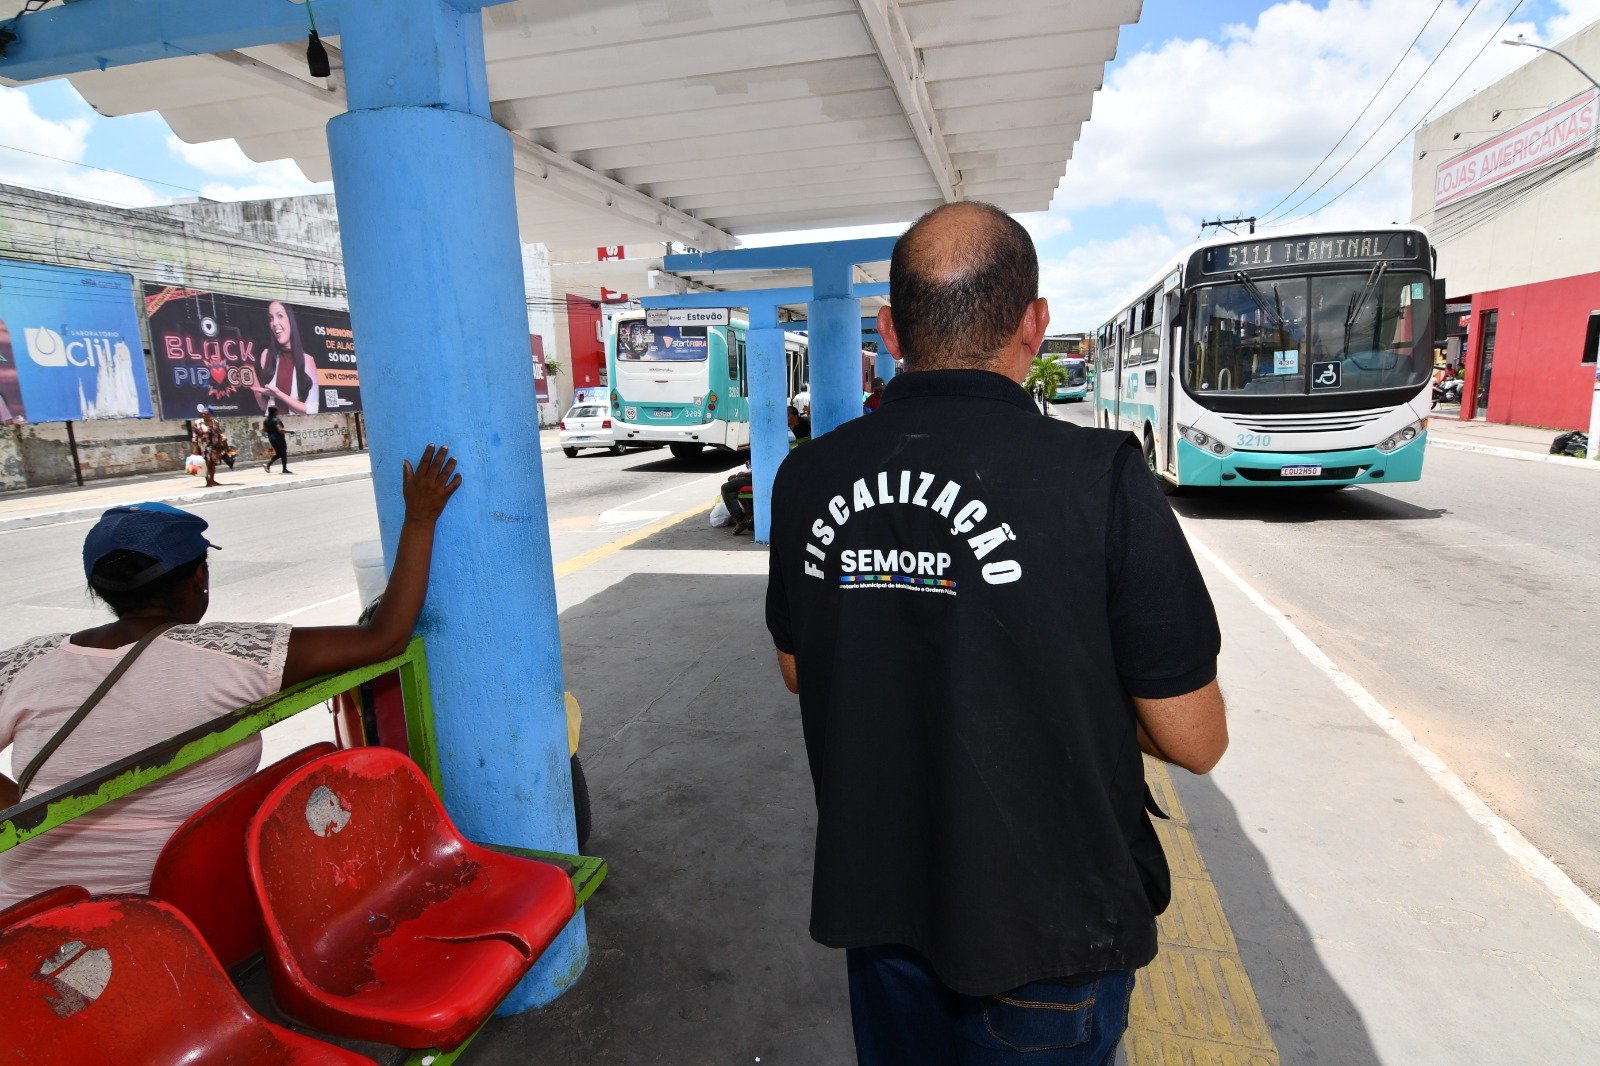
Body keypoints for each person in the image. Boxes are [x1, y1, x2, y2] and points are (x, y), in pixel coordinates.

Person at [765, 202, 1228, 1065]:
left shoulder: (806, 477)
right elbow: (1194, 739)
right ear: (1035, 323)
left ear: (891, 330)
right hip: (1050, 937)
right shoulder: (1099, 477)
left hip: (881, 910)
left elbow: (801, 668)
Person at [0, 445, 461, 907]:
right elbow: (385, 637)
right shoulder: (234, 652)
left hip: (26, 902)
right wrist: (421, 518)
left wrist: (25, 808)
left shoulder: (27, 661)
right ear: (198, 578)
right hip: (173, 907)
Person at [722, 406, 811, 535]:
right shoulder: (787, 434)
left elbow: (771, 466)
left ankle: (742, 519)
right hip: (773, 474)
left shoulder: (787, 436)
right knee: (734, 479)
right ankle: (750, 515)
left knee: (726, 487)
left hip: (770, 478)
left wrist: (750, 472)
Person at [253, 300, 320, 415]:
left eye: (280, 316)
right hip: (271, 425)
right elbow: (264, 406)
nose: (274, 323)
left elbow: (312, 409)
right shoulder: (266, 355)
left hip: (296, 426)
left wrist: (279, 394)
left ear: (290, 320)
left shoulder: (307, 360)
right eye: (271, 318)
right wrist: (251, 372)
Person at [189, 406, 234, 487]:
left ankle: (212, 480)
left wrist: (223, 437)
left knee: (212, 464)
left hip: (214, 447)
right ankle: (208, 481)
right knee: (205, 464)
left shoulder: (215, 422)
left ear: (210, 414)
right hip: (203, 447)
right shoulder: (198, 423)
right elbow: (194, 436)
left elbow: (218, 432)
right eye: (203, 414)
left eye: (206, 414)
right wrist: (195, 447)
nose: (204, 415)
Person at [262, 404, 293, 474]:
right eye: (277, 411)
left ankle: (268, 465)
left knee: (279, 453)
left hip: (271, 439)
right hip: (279, 438)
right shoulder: (276, 420)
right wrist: (290, 432)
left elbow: (264, 430)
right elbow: (280, 430)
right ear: (275, 412)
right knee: (283, 453)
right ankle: (284, 469)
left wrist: (271, 430)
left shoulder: (266, 420)